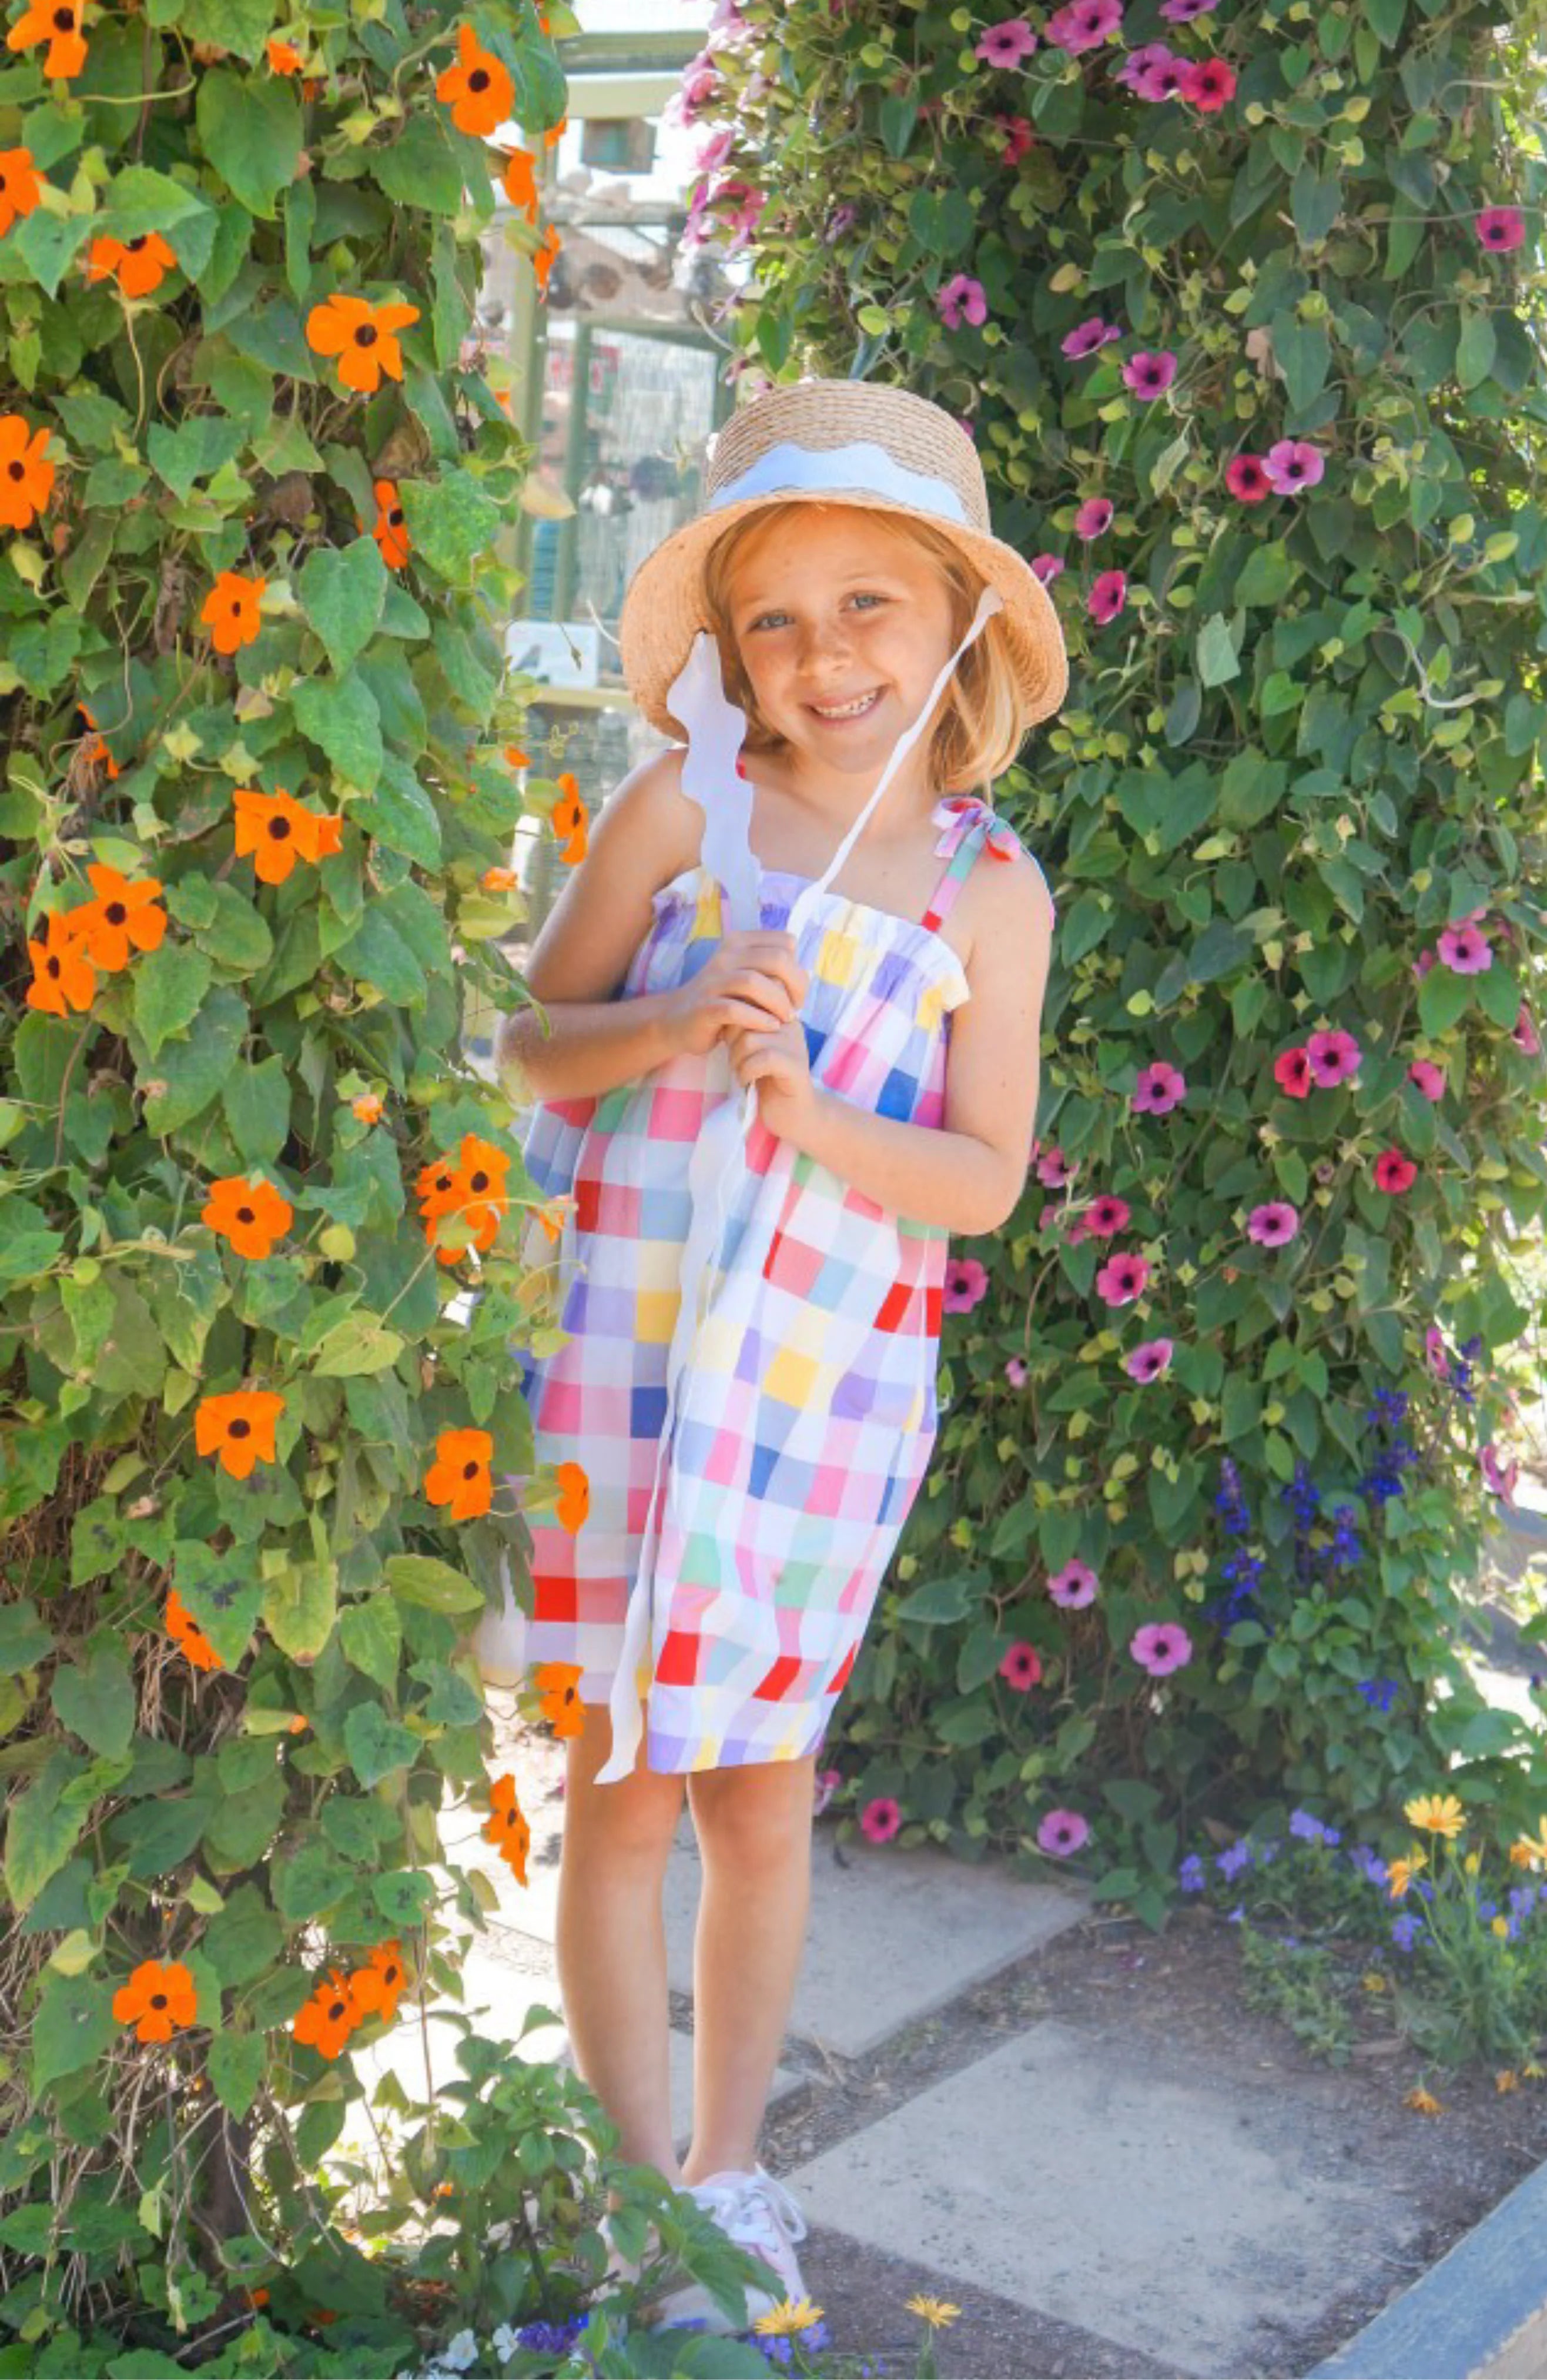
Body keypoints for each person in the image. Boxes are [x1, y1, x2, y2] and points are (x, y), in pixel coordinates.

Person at [481, 376, 1067, 2332]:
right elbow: (532, 1042)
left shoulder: (991, 890)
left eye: (870, 607)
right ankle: (626, 2188)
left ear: (961, 623)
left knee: (755, 1789)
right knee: (620, 1783)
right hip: (629, 1375)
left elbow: (981, 1178)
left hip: (821, 1404)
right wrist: (662, 1031)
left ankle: (731, 2178)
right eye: (776, 618)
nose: (824, 658)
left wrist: (820, 1121)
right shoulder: (683, 811)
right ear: (725, 650)